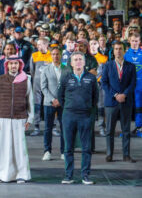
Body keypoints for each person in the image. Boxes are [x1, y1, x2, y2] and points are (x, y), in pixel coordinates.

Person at [58, 51, 98, 185]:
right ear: (71, 63)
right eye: (75, 60)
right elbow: (60, 96)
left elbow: (95, 98)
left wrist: (87, 110)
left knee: (86, 148)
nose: (78, 62)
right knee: (68, 148)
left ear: (85, 62)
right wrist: (69, 107)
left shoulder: (91, 78)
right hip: (69, 115)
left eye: (80, 59)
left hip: (85, 116)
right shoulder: (65, 77)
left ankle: (85, 175)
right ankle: (68, 176)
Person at [0, 55, 34, 183]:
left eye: (16, 64)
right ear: (7, 66)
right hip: (3, 118)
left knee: (19, 149)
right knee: (3, 148)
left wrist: (30, 119)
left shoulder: (26, 80)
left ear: (20, 65)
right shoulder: (0, 79)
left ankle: (22, 174)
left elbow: (30, 101)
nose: (13, 66)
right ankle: (1, 174)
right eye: (11, 64)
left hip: (20, 118)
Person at [101, 42, 137, 163]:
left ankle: (126, 155)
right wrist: (116, 95)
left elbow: (133, 83)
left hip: (126, 101)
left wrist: (124, 94)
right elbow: (104, 83)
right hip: (111, 101)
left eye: (120, 49)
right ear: (113, 51)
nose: (118, 51)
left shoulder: (131, 66)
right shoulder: (107, 65)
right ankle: (109, 154)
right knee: (109, 130)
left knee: (126, 130)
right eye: (116, 49)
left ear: (124, 51)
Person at [40, 46, 65, 161]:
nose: (55, 56)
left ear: (60, 55)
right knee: (47, 128)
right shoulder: (45, 70)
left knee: (64, 128)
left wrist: (61, 100)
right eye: (53, 54)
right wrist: (52, 100)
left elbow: (68, 87)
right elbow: (43, 88)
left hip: (63, 103)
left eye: (57, 54)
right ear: (51, 56)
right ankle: (47, 151)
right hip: (49, 103)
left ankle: (64, 152)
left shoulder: (67, 69)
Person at [29, 38, 53, 136]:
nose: (39, 46)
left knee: (51, 104)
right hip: (37, 83)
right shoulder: (34, 55)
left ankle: (53, 126)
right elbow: (31, 70)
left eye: (41, 44)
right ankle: (36, 126)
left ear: (46, 45)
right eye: (38, 44)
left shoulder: (52, 55)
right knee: (37, 104)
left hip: (50, 83)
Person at [124, 33, 142, 137]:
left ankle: (139, 128)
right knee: (127, 108)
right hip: (129, 87)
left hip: (140, 86)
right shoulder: (126, 55)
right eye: (133, 41)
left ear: (139, 42)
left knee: (139, 107)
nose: (135, 43)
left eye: (136, 41)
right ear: (129, 41)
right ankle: (126, 130)